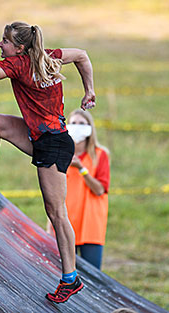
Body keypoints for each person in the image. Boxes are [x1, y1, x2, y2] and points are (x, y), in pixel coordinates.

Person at [0, 21, 96, 303]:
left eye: (4, 41)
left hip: (51, 144)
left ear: (19, 48)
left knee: (57, 214)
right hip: (44, 137)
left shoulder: (17, 65)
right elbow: (82, 55)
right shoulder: (48, 56)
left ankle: (70, 278)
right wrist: (89, 90)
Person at [46, 109, 110, 270]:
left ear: (90, 128)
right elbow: (53, 193)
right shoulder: (60, 154)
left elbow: (100, 190)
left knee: (92, 275)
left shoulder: (100, 155)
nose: (77, 126)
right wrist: (50, 226)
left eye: (82, 123)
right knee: (63, 272)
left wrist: (82, 169)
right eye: (73, 123)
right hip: (66, 222)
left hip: (91, 225)